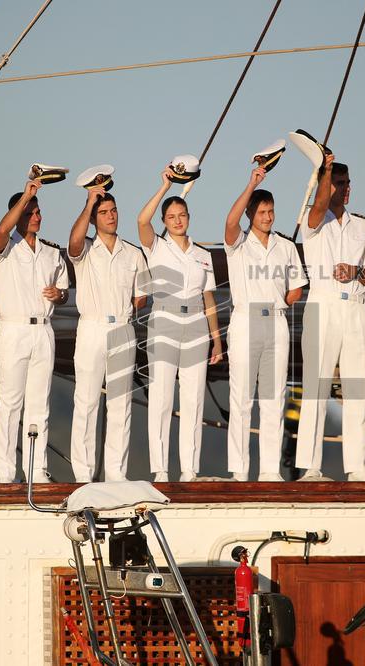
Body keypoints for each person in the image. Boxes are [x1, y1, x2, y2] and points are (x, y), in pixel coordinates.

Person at [296, 155, 365, 482]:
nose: (344, 190)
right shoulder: (312, 220)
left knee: (357, 388)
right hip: (323, 304)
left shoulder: (363, 225)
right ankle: (311, 467)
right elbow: (317, 209)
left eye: (346, 184)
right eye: (337, 184)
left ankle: (358, 466)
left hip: (356, 306)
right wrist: (324, 169)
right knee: (316, 387)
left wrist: (357, 271)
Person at [138, 167, 223, 482]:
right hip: (165, 320)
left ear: (189, 217)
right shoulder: (156, 246)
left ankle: (190, 468)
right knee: (161, 397)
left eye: (182, 215)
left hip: (197, 324)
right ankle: (160, 469)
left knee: (193, 399)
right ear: (165, 221)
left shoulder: (203, 254)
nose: (177, 220)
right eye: (171, 216)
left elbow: (210, 298)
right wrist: (165, 186)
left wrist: (217, 339)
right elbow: (141, 222)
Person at [223, 165, 307, 481]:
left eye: (271, 211)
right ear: (251, 214)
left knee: (274, 398)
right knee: (242, 398)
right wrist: (251, 184)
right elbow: (230, 222)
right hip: (245, 319)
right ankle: (239, 471)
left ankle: (270, 471)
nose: (268, 217)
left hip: (276, 321)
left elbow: (297, 286)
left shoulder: (285, 246)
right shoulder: (238, 243)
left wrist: (282, 303)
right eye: (261, 212)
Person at [0, 179, 69, 483]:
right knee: (10, 402)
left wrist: (59, 296)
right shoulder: (5, 247)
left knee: (39, 404)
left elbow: (65, 291)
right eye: (31, 212)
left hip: (43, 329)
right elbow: (0, 232)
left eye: (38, 212)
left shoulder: (50, 253)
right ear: (19, 214)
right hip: (14, 329)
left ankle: (36, 470)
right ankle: (6, 474)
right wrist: (26, 195)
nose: (37, 216)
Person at [68, 184, 147, 483]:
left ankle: (116, 473)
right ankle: (83, 474)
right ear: (93, 218)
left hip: (123, 327)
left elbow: (142, 295)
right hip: (92, 326)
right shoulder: (86, 248)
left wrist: (135, 300)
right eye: (103, 213)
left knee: (120, 403)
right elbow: (73, 243)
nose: (111, 216)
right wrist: (89, 203)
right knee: (86, 401)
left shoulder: (133, 253)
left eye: (113, 211)